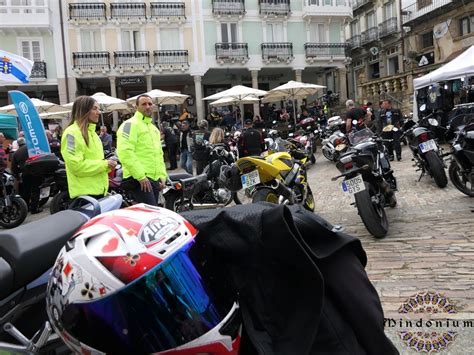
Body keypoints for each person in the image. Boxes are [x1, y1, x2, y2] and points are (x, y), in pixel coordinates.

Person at [61, 96, 116, 201]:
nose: (98, 112)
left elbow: (95, 162)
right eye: (95, 108)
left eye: (98, 109)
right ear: (84, 110)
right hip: (85, 196)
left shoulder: (93, 134)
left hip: (99, 192)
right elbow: (76, 166)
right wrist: (105, 164)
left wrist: (108, 166)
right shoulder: (71, 134)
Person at [117, 94, 167, 206]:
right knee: (149, 215)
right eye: (144, 104)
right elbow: (125, 152)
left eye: (150, 104)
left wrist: (162, 176)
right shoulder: (129, 125)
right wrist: (140, 176)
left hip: (153, 179)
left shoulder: (154, 129)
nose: (148, 106)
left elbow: (158, 154)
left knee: (154, 213)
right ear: (136, 107)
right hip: (139, 180)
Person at [11, 138, 42, 214]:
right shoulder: (31, 148)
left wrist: (19, 173)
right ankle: (34, 209)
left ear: (18, 144)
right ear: (25, 142)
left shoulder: (16, 153)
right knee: (35, 190)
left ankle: (26, 208)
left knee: (26, 191)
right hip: (35, 172)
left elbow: (13, 168)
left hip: (25, 174)